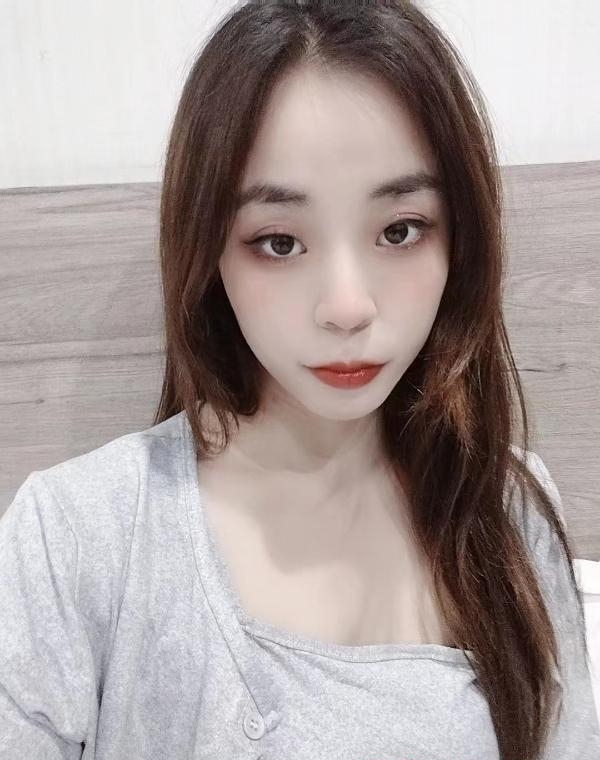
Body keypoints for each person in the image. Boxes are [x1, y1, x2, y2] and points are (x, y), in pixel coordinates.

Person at [1, 2, 599, 759]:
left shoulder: (507, 508)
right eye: (279, 242)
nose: (347, 306)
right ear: (209, 251)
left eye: (400, 230)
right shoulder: (76, 534)